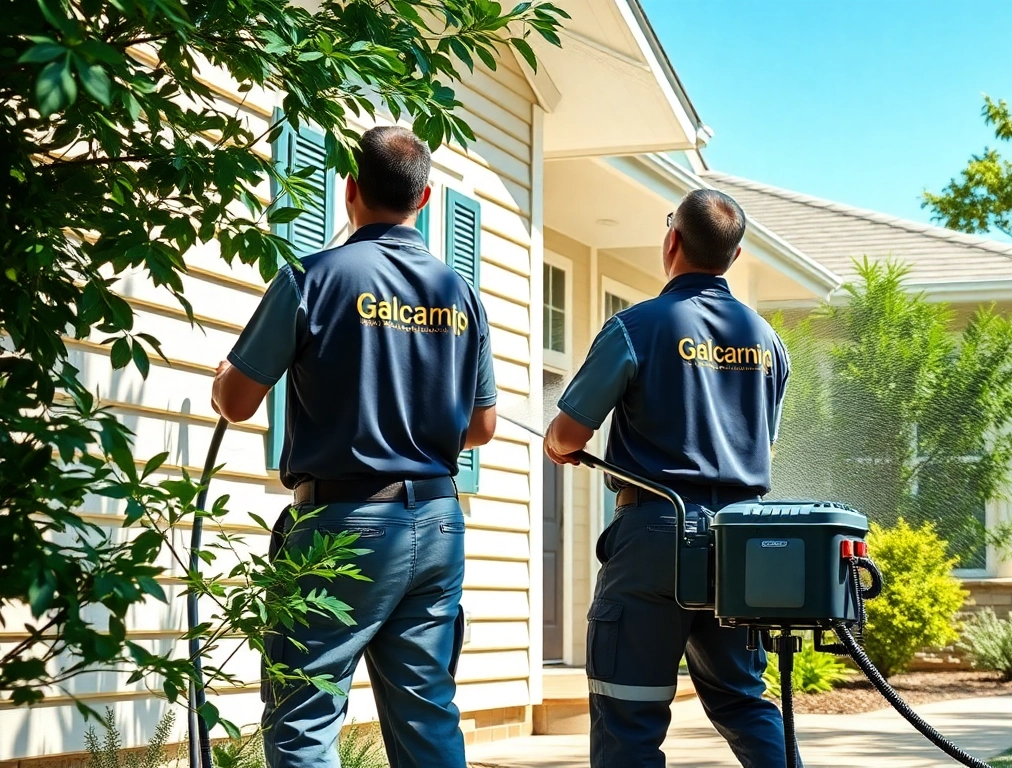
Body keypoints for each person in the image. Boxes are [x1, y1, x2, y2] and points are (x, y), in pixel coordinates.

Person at [211, 125, 496, 768]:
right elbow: (482, 428)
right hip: (437, 523)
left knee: (304, 716)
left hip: (343, 523)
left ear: (349, 189)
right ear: (424, 199)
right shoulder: (462, 294)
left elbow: (237, 401)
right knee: (426, 713)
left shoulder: (311, 277)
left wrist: (224, 379)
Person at [545, 188, 791, 767]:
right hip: (741, 544)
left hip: (656, 535)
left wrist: (556, 444)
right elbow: (760, 443)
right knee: (745, 702)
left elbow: (569, 434)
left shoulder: (637, 326)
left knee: (629, 712)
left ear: (671, 241)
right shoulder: (768, 341)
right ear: (733, 257)